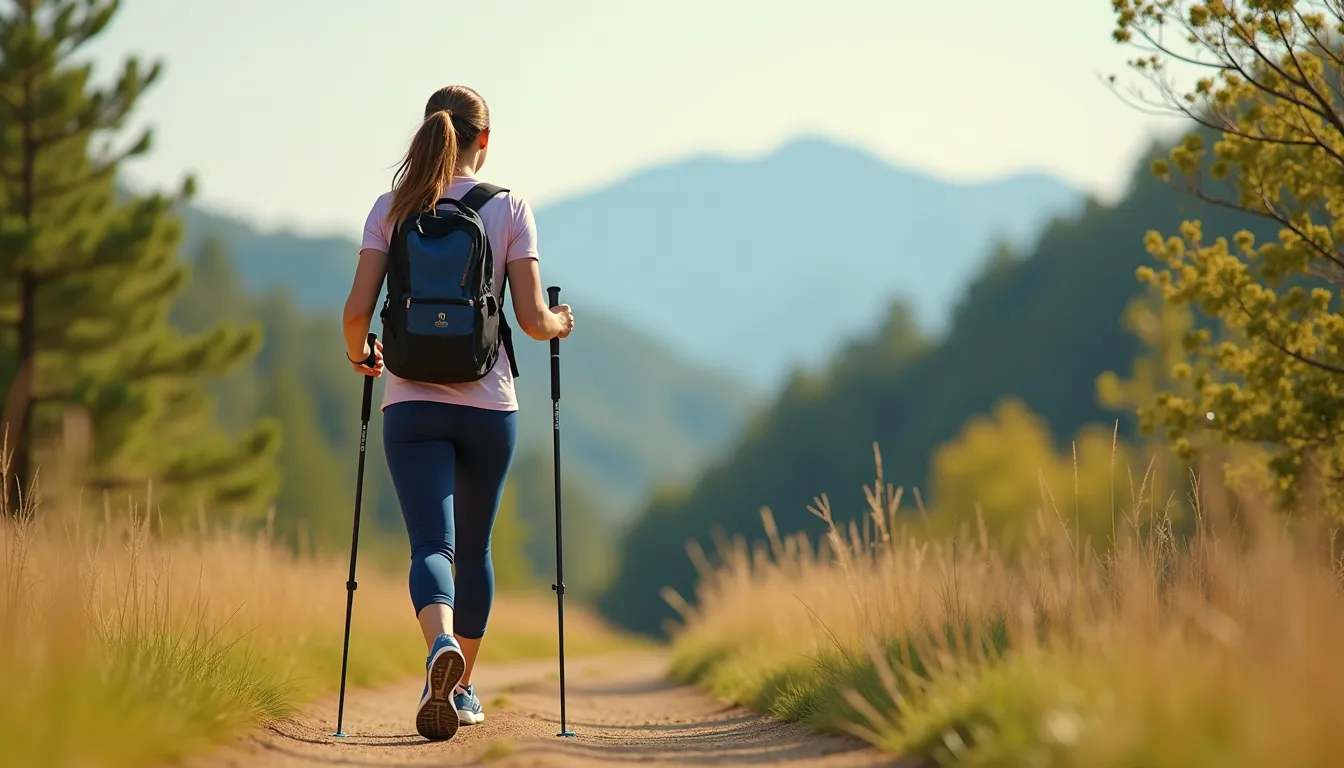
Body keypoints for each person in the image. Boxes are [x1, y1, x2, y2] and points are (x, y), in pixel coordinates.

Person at [341, 84, 574, 742]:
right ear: (485, 140)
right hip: (488, 406)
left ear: (427, 133)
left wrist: (362, 356)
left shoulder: (392, 208)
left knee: (431, 546)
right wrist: (561, 322)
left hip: (411, 403)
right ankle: (461, 684)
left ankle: (437, 644)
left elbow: (357, 314)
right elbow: (530, 321)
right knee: (474, 550)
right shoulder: (510, 208)